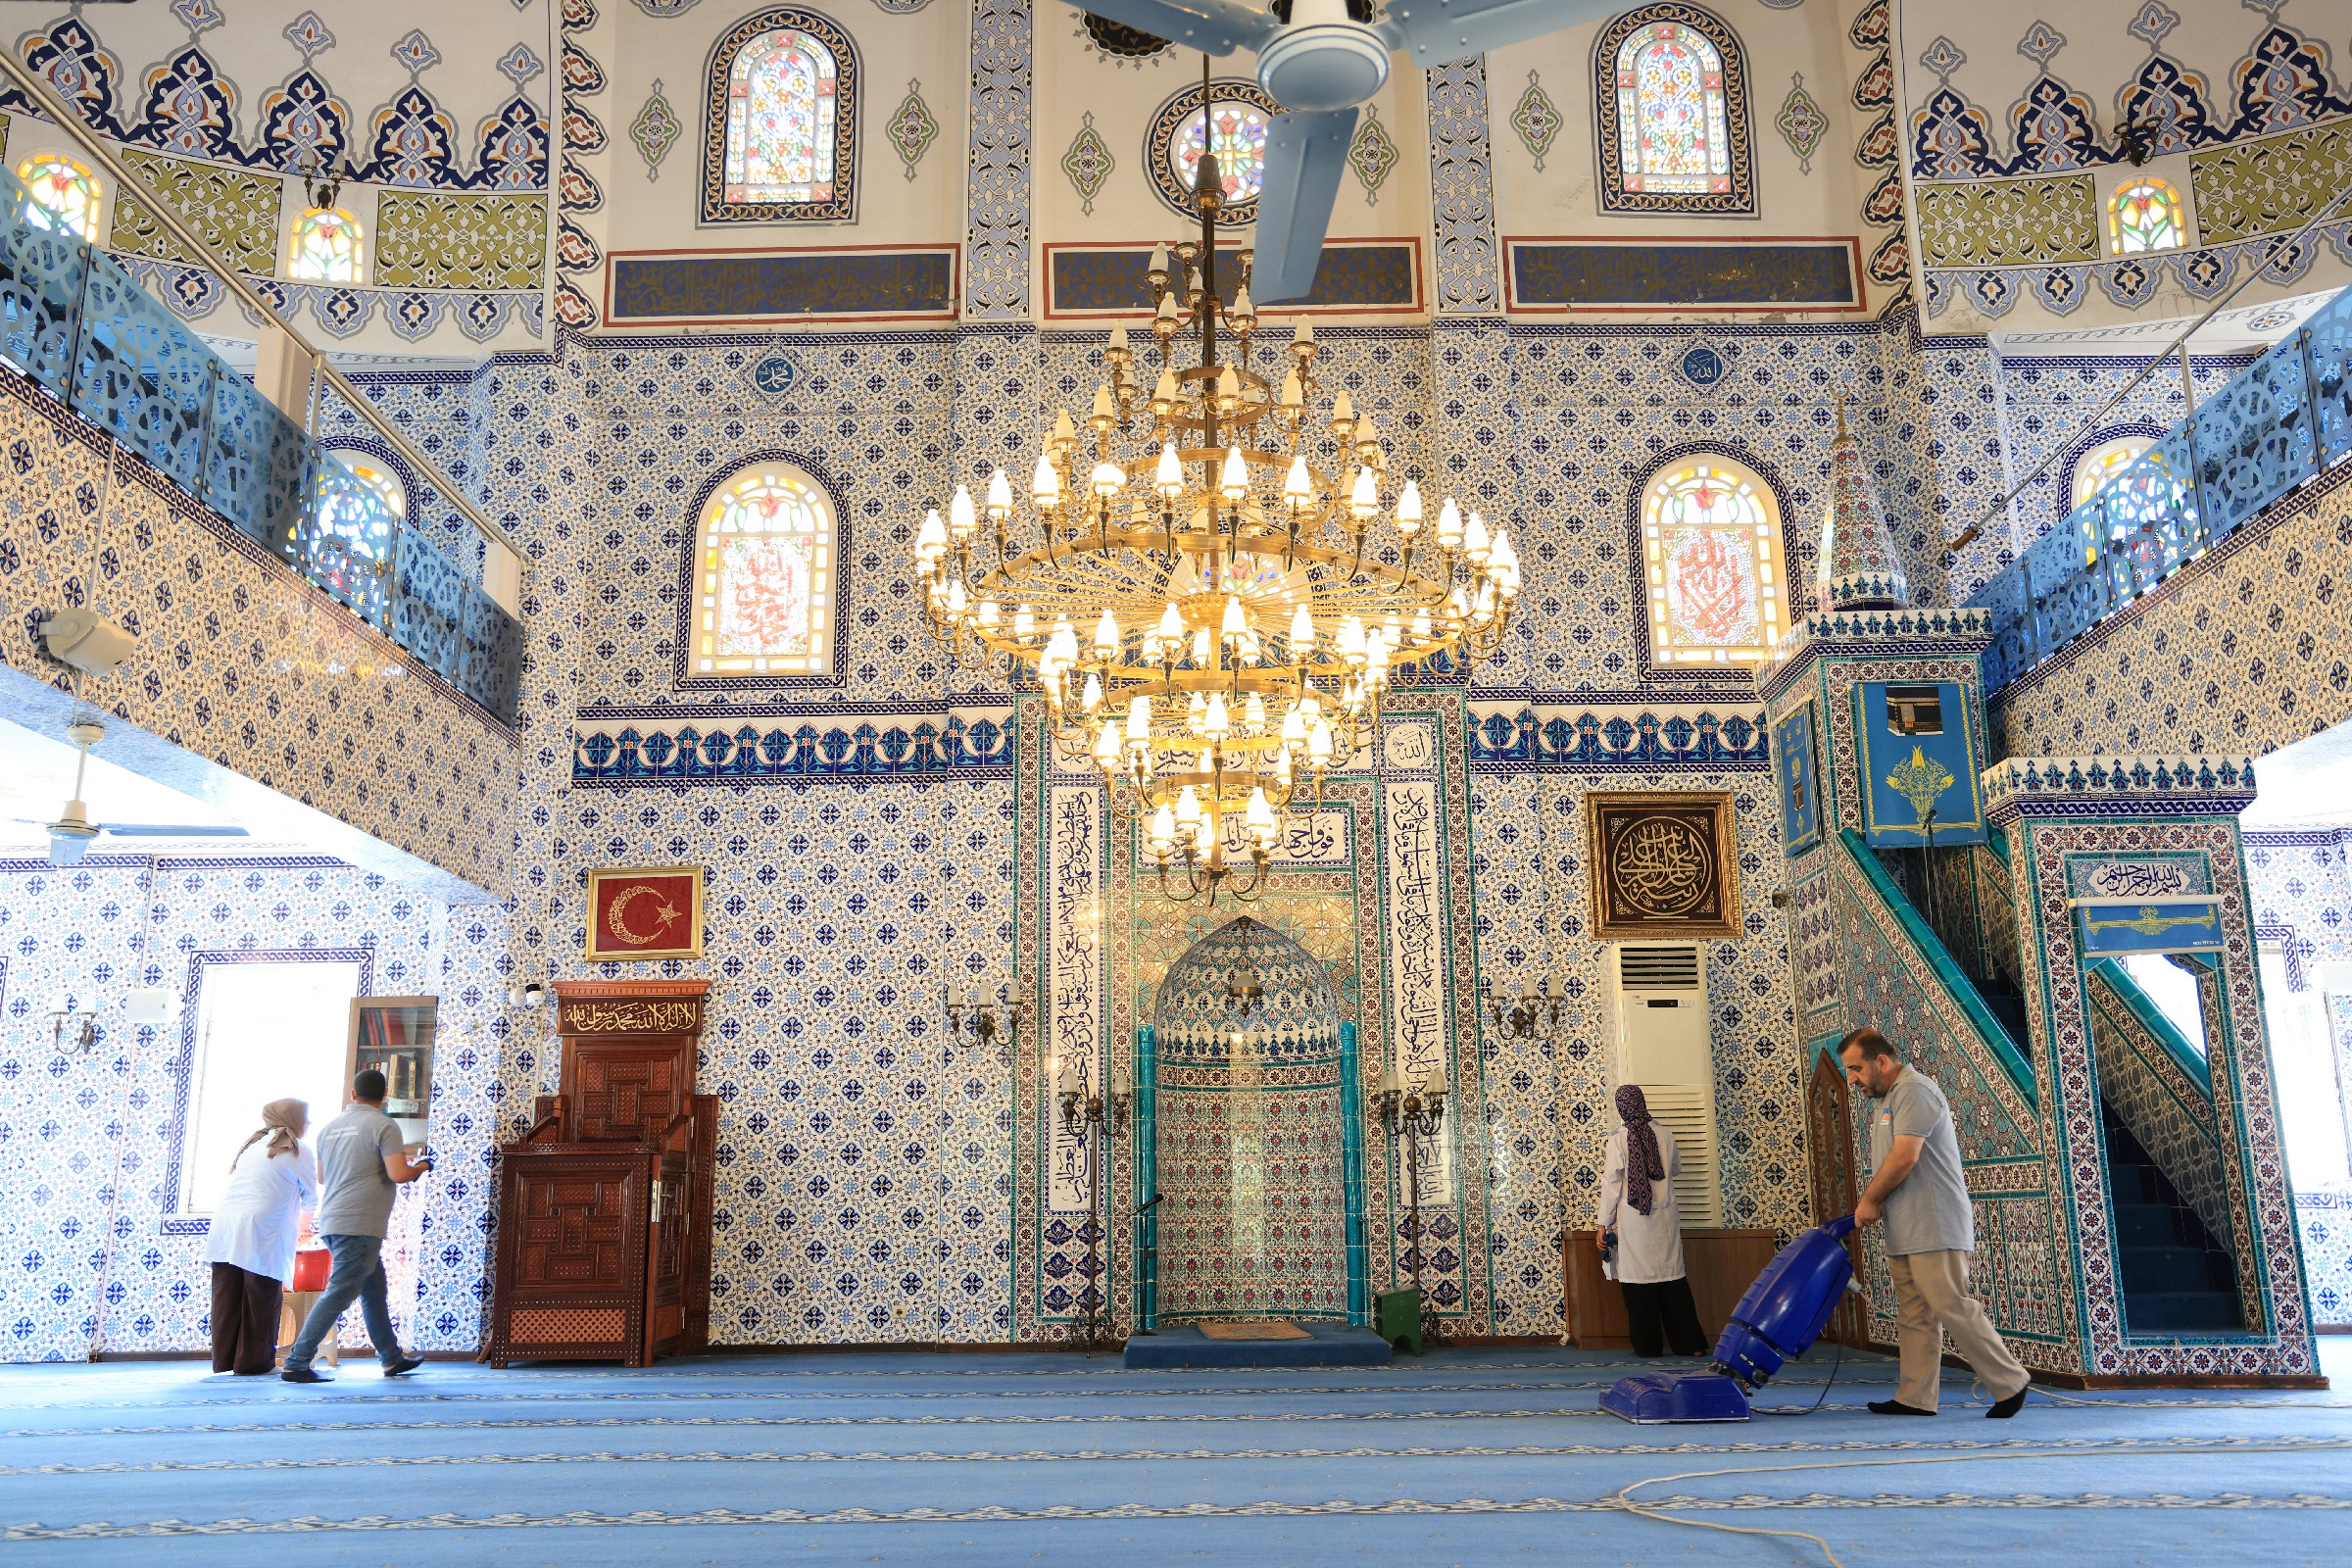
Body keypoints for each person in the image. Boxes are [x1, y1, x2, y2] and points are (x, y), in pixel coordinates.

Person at [1840, 1027, 2032, 1418]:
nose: (1853, 1079)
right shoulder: (1887, 1099)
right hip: (1905, 1226)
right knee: (1914, 1315)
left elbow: (1905, 1158)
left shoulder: (1915, 1091)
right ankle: (1915, 1398)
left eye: (1856, 1068)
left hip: (1934, 1224)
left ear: (1881, 1060)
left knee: (1950, 1305)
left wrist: (1870, 1200)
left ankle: (2010, 1382)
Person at [280, 1069, 432, 1383]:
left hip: (335, 1219)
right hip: (360, 1224)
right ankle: (297, 1362)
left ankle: (391, 1359)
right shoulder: (383, 1125)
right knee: (339, 1292)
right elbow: (398, 1174)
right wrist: (421, 1166)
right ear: (385, 1094)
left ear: (353, 1094)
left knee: (375, 1289)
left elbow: (322, 1177)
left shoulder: (330, 1128)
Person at [203, 1098, 318, 1375]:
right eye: (305, 1118)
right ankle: (254, 1363)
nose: (308, 1124)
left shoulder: (253, 1145)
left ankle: (225, 1362)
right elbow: (311, 1198)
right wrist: (305, 1229)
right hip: (261, 1226)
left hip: (225, 1224)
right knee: (261, 1295)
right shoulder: (297, 1149)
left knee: (227, 1296)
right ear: (292, 1119)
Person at [1595, 1083, 1708, 1358]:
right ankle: (1690, 1345)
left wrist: (1601, 1224)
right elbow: (1677, 1169)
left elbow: (1612, 1185)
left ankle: (1647, 1347)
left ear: (1621, 1107)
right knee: (1673, 1280)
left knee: (1637, 1284)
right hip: (1665, 1219)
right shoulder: (1665, 1134)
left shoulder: (1618, 1139)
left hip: (1633, 1221)